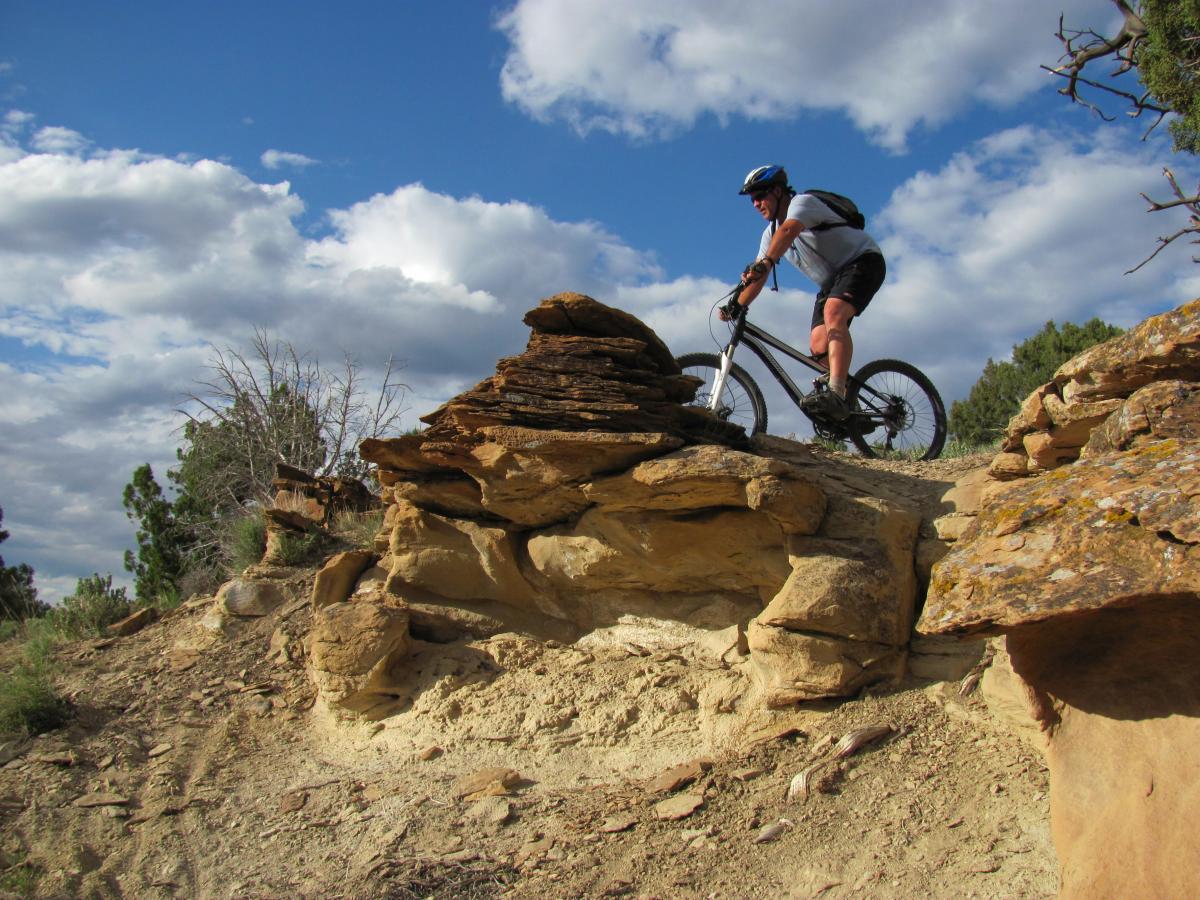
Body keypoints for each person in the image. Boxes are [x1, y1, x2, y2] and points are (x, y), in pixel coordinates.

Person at [724, 165, 886, 421]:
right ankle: (848, 412)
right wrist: (735, 305)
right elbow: (759, 274)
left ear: (778, 191)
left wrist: (766, 262)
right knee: (818, 346)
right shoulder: (769, 235)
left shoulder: (802, 204)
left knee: (834, 312)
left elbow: (788, 232)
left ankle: (837, 391)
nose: (755, 203)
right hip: (832, 282)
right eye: (752, 199)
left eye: (760, 196)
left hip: (863, 261)